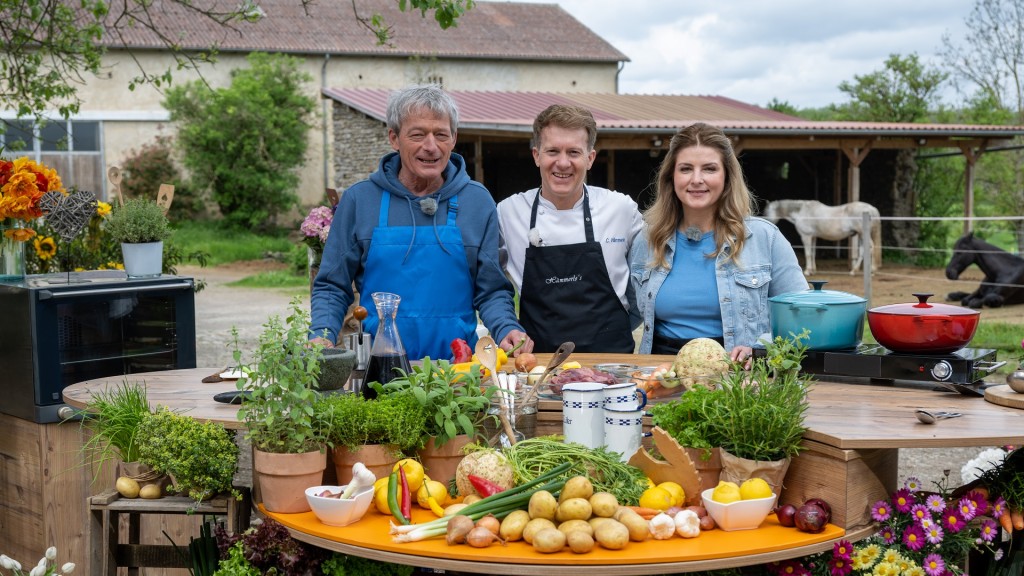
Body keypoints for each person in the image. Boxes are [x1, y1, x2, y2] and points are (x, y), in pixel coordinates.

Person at [310, 84, 532, 361]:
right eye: (418, 135)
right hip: (378, 367)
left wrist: (506, 327)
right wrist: (321, 333)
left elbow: (492, 290)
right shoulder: (360, 200)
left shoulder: (477, 201)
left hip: (459, 371)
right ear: (394, 138)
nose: (431, 146)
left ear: (453, 139)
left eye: (441, 134)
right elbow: (332, 285)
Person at [628, 122, 807, 361]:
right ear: (671, 176)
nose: (697, 179)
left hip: (738, 374)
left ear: (727, 177)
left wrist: (761, 347)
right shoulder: (648, 239)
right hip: (662, 374)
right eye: (686, 169)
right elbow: (625, 312)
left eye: (710, 169)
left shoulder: (765, 238)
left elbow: (801, 315)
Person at [497, 104, 643, 353]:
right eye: (552, 151)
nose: (562, 163)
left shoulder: (621, 209)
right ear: (536, 156)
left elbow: (651, 278)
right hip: (537, 366)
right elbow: (489, 286)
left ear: (590, 158)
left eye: (574, 152)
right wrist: (504, 325)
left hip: (611, 363)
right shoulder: (508, 212)